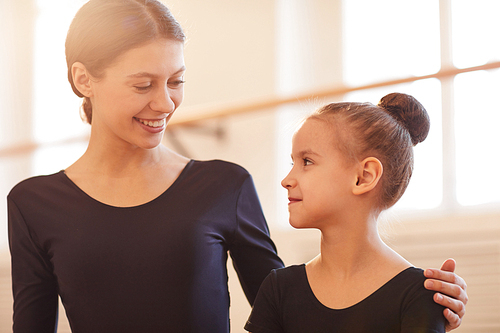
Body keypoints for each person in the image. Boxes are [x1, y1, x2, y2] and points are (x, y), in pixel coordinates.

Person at [7, 0, 466, 332]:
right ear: (83, 79)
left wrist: (416, 300)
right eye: (144, 83)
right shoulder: (32, 203)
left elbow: (294, 307)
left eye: (176, 81)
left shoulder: (223, 185)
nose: (165, 102)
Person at [245, 93, 466, 333]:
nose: (286, 180)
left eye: (307, 161)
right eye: (292, 163)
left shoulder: (420, 296)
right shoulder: (278, 289)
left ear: (364, 177)